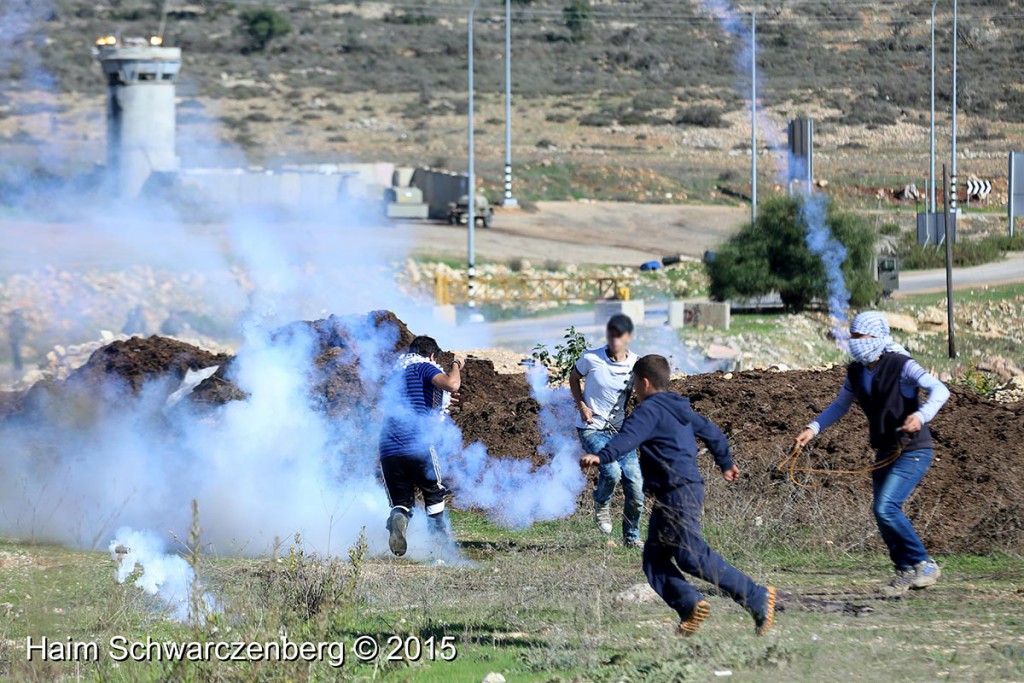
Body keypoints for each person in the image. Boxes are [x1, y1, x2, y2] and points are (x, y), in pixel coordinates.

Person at [580, 355, 776, 637]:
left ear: (644, 382)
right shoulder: (678, 408)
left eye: (634, 383)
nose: (633, 389)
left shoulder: (649, 411)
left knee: (690, 556)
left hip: (677, 491)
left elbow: (627, 439)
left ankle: (755, 595)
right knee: (654, 560)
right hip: (675, 491)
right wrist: (725, 461)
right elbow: (712, 432)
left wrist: (601, 456)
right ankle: (690, 605)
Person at [794, 311, 950, 596]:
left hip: (913, 449)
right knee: (881, 513)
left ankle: (923, 563)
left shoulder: (902, 364)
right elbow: (840, 406)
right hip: (885, 450)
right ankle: (904, 571)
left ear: (877, 337)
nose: (854, 342)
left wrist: (921, 415)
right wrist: (813, 428)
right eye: (852, 336)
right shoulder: (856, 371)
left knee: (886, 508)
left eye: (860, 336)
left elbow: (939, 389)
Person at [378, 335, 464, 557]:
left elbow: (413, 398)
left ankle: (398, 519)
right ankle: (439, 540)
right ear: (432, 355)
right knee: (433, 491)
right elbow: (452, 383)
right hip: (416, 442)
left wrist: (442, 398)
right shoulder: (423, 366)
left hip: (388, 449)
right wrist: (457, 364)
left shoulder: (396, 373)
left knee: (402, 502)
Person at [569, 314, 644, 548]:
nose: (614, 339)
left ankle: (631, 538)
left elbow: (645, 391)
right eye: (611, 334)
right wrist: (582, 405)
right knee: (611, 472)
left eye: (619, 335)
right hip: (592, 429)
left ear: (628, 337)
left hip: (621, 433)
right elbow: (573, 377)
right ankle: (601, 503)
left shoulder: (636, 364)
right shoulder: (591, 358)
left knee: (635, 485)